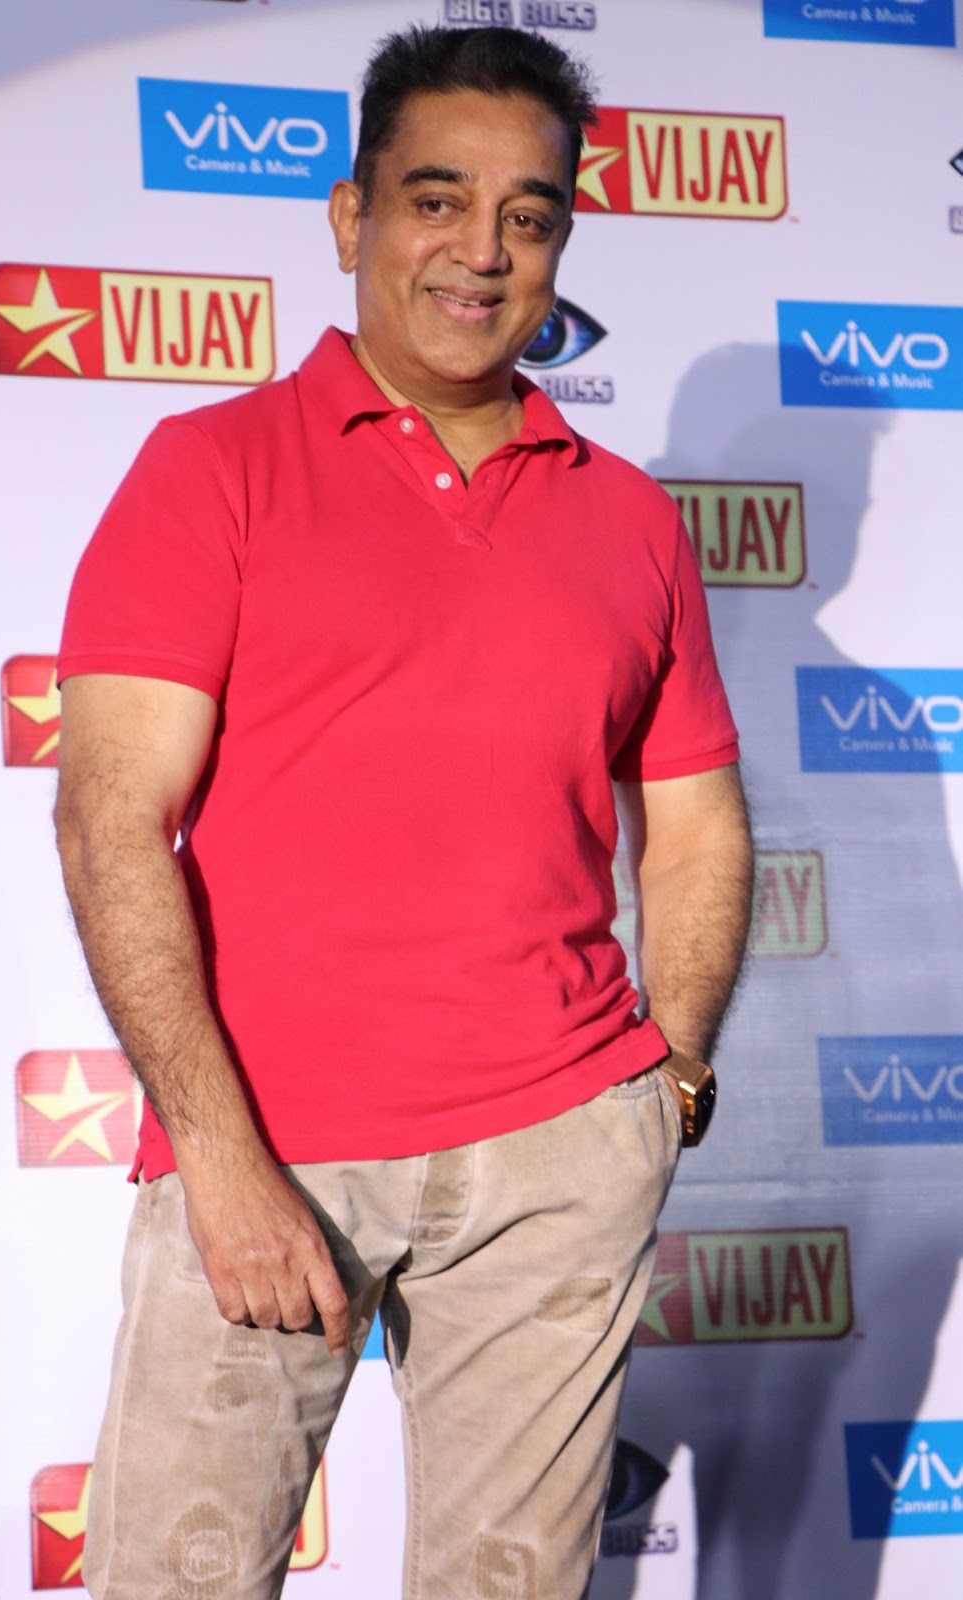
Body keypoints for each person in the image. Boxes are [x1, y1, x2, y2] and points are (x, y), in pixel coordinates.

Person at [54, 23, 753, 1600]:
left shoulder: (631, 516)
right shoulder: (211, 467)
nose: (481, 251)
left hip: (560, 1154)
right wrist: (219, 1158)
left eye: (526, 215)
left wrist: (668, 1076)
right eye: (436, 200)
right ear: (349, 216)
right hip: (266, 1147)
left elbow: (698, 821)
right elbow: (111, 825)